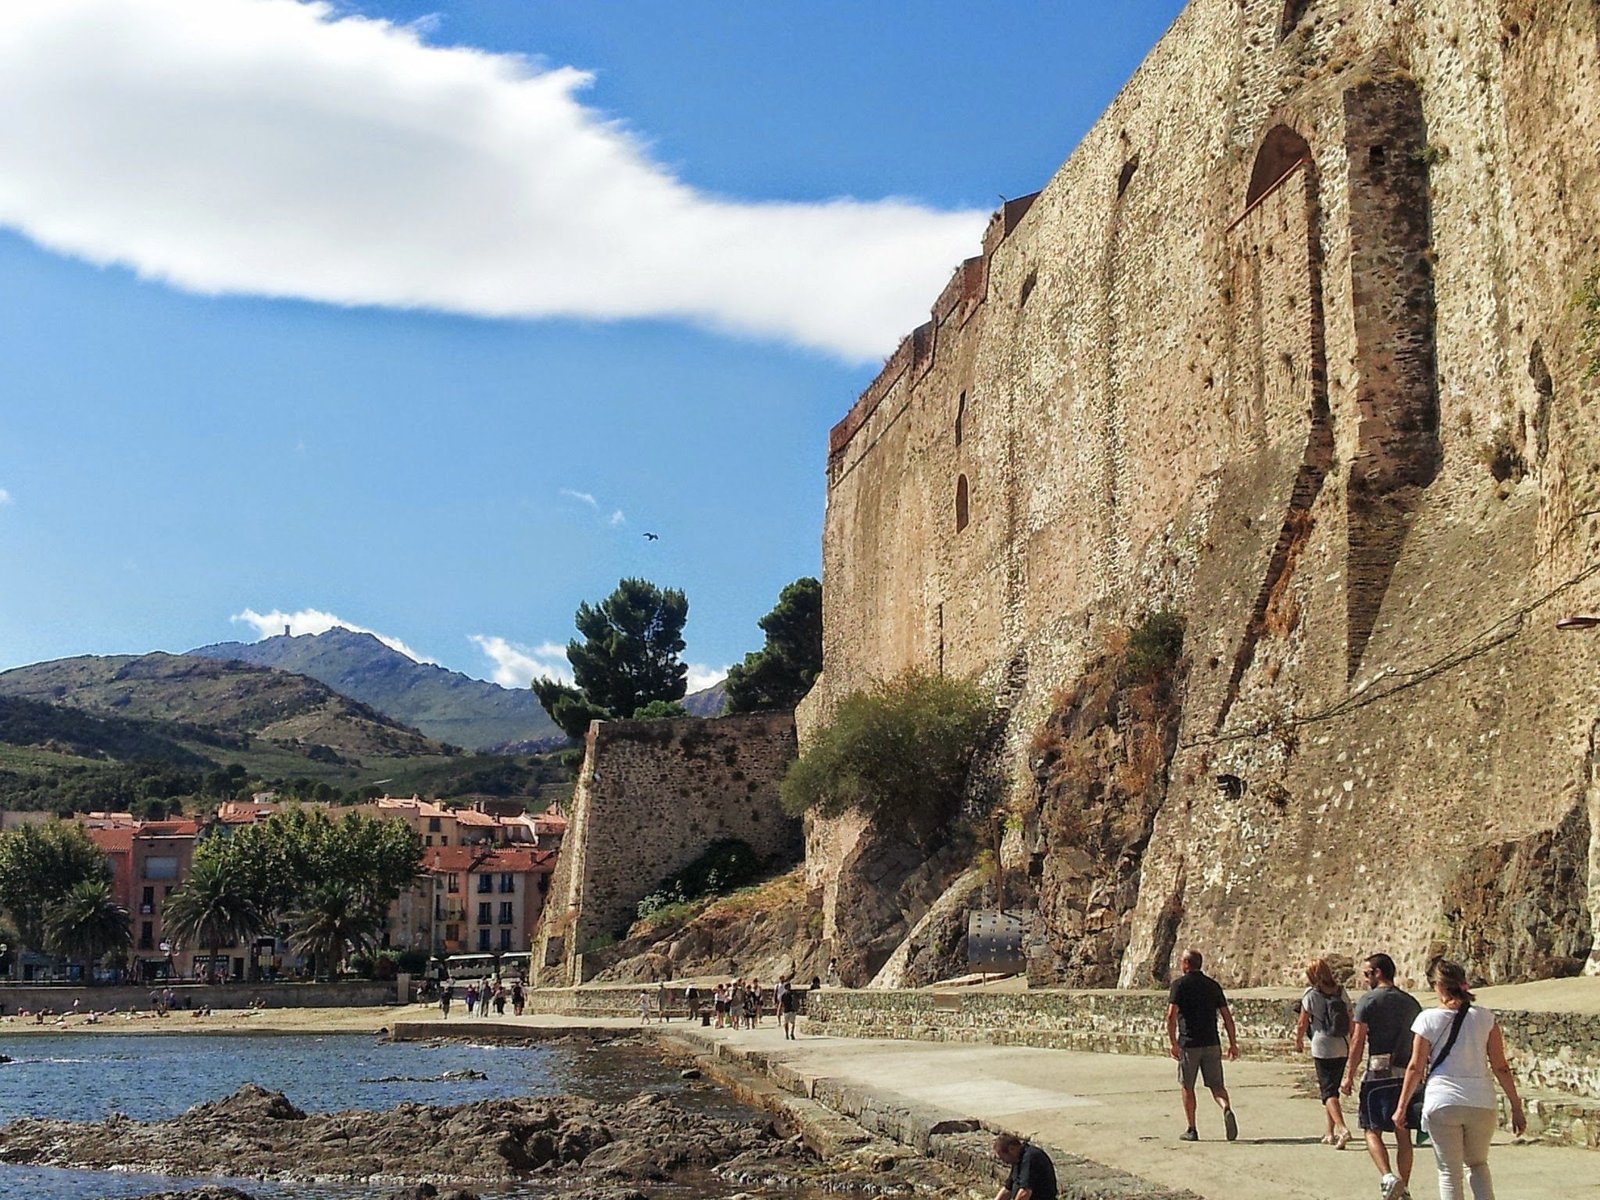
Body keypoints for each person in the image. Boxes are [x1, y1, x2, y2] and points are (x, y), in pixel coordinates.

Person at [1394, 960, 1525, 1200]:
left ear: (1438, 986)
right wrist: (1516, 1106)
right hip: (1481, 1101)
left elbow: (1415, 1067)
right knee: (1477, 1165)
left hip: (1442, 1101)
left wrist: (1401, 1107)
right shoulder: (1485, 1017)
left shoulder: (1427, 1019)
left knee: (1449, 1172)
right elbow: (1500, 1066)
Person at [1343, 953, 1423, 1200]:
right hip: (1406, 1074)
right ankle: (1405, 1187)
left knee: (1370, 1129)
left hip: (1378, 1074)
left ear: (1378, 973)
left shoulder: (1368, 1001)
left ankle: (1388, 1176)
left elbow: (1357, 1041)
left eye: (1367, 974)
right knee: (1403, 1133)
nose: (1365, 979)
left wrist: (1348, 1076)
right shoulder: (1411, 1002)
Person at [1165, 947, 1239, 1142]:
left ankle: (1192, 1128)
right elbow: (1227, 1017)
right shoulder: (1212, 986)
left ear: (1187, 964)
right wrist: (1233, 1043)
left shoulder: (1179, 985)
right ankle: (1225, 1107)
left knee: (1187, 1086)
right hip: (1211, 1042)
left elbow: (1171, 1015)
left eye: (1182, 961)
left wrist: (1173, 1042)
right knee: (1217, 1086)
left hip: (1189, 1044)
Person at [1296, 957, 1353, 1149]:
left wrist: (1298, 1041)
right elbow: (1351, 1017)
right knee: (1332, 1090)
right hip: (1342, 1044)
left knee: (1327, 1092)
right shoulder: (1341, 991)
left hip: (1322, 1046)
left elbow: (1303, 1022)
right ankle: (1329, 1133)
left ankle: (1343, 1129)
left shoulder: (1311, 994)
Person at [991, 1133, 1056, 1200]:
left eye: (1003, 1158)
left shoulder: (1031, 1158)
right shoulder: (1017, 1160)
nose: (1003, 1161)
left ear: (1011, 1149)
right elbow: (1007, 1188)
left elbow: (1025, 1193)